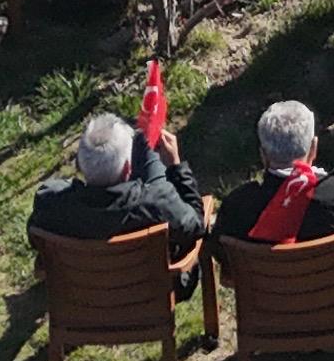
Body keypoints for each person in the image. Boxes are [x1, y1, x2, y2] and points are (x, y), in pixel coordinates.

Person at [26, 113, 209, 293]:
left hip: (82, 297)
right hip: (149, 295)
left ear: (80, 166)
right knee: (145, 141)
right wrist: (176, 167)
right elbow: (196, 226)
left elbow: (36, 239)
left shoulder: (50, 204)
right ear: (128, 168)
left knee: (142, 140)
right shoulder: (157, 204)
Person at [215, 100, 334, 245]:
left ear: (263, 155)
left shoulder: (237, 206)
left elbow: (220, 251)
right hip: (330, 283)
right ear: (314, 148)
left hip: (265, 284)